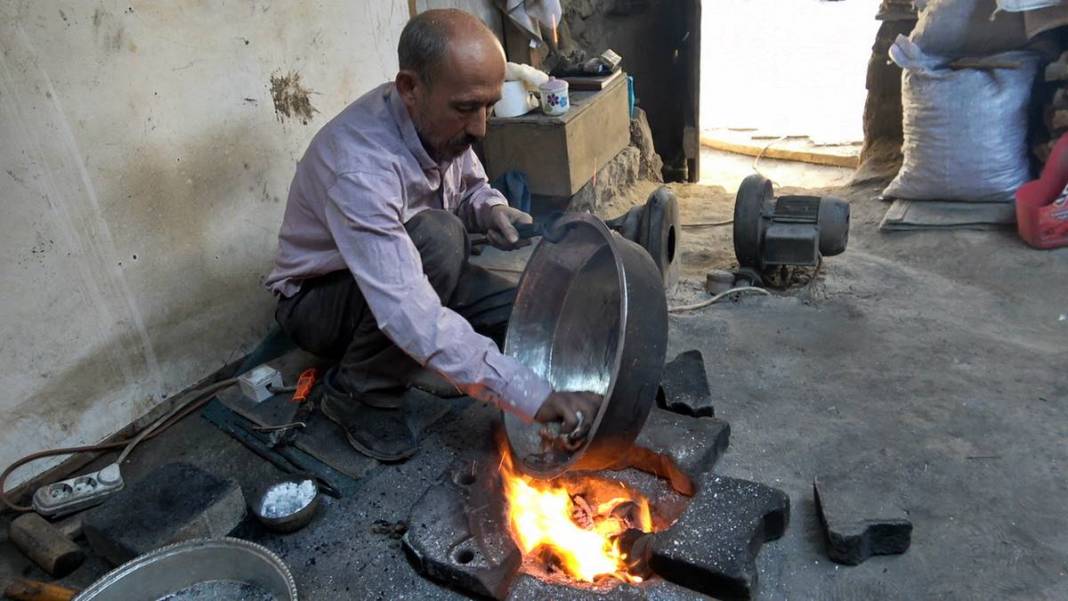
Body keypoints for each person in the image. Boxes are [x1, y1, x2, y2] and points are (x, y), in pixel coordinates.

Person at [264, 9, 600, 462]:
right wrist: (529, 394)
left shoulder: (438, 123)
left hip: (412, 266)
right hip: (320, 301)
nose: (481, 127)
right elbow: (408, 311)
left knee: (527, 310)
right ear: (410, 88)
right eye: (466, 108)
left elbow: (470, 185)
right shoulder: (359, 168)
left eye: (489, 106)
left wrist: (491, 209)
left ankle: (438, 358)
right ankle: (358, 391)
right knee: (441, 240)